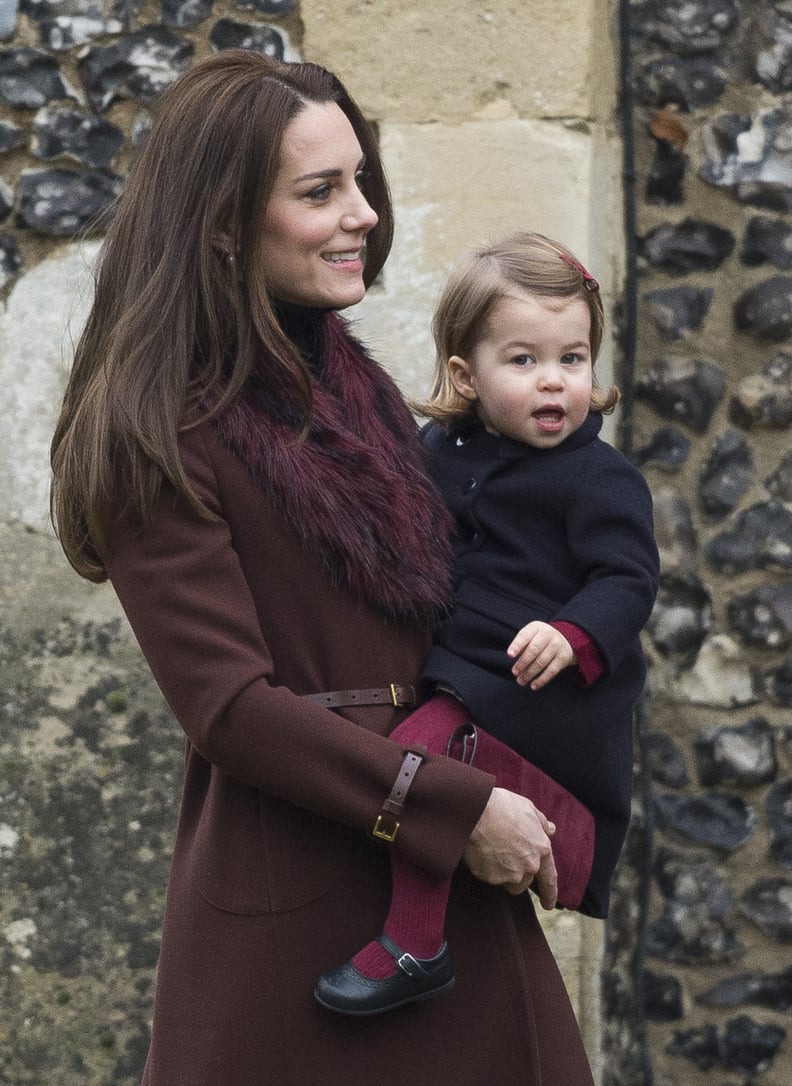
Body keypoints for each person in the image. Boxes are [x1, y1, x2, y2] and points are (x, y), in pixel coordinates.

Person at [49, 52, 597, 1086]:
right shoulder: (152, 429)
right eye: (319, 192)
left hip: (442, 879)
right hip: (296, 908)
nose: (363, 216)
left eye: (361, 181)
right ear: (221, 223)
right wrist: (451, 806)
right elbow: (228, 708)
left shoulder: (356, 388)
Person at [315, 232, 660, 1016]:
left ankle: (415, 945)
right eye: (525, 361)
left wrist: (573, 634)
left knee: (418, 763)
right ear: (467, 376)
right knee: (397, 753)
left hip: (536, 684)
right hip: (460, 662)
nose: (554, 382)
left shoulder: (600, 477)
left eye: (573, 360)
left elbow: (629, 577)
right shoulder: (439, 449)